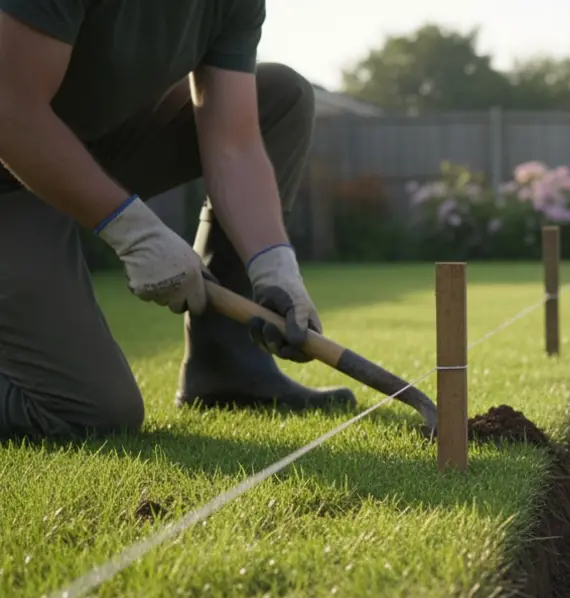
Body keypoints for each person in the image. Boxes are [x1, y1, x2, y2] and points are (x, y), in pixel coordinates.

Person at [0, 0, 356, 444]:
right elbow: (10, 110)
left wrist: (274, 264)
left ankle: (228, 367)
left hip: (84, 147)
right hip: (9, 168)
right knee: (90, 412)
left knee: (281, 97)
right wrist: (135, 231)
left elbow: (235, 143)